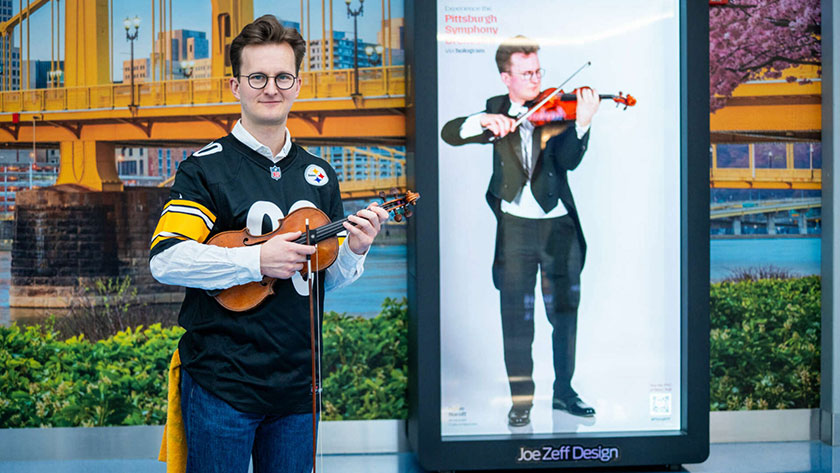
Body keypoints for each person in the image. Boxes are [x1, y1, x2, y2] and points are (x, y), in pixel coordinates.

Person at [149, 15, 389, 473]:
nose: (271, 88)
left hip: (298, 387)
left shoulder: (320, 174)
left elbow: (321, 280)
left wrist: (354, 251)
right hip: (222, 383)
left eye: (282, 77)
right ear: (235, 85)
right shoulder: (204, 169)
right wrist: (257, 259)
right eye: (257, 77)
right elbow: (166, 260)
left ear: (297, 84)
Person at [440, 35, 600, 428]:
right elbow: (449, 133)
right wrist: (481, 122)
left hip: (558, 226)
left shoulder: (557, 108)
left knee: (564, 313)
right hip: (514, 228)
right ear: (506, 77)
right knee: (515, 318)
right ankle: (521, 400)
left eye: (538, 72)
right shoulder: (495, 109)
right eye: (527, 73)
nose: (536, 79)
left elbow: (568, 162)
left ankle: (564, 392)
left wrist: (582, 124)